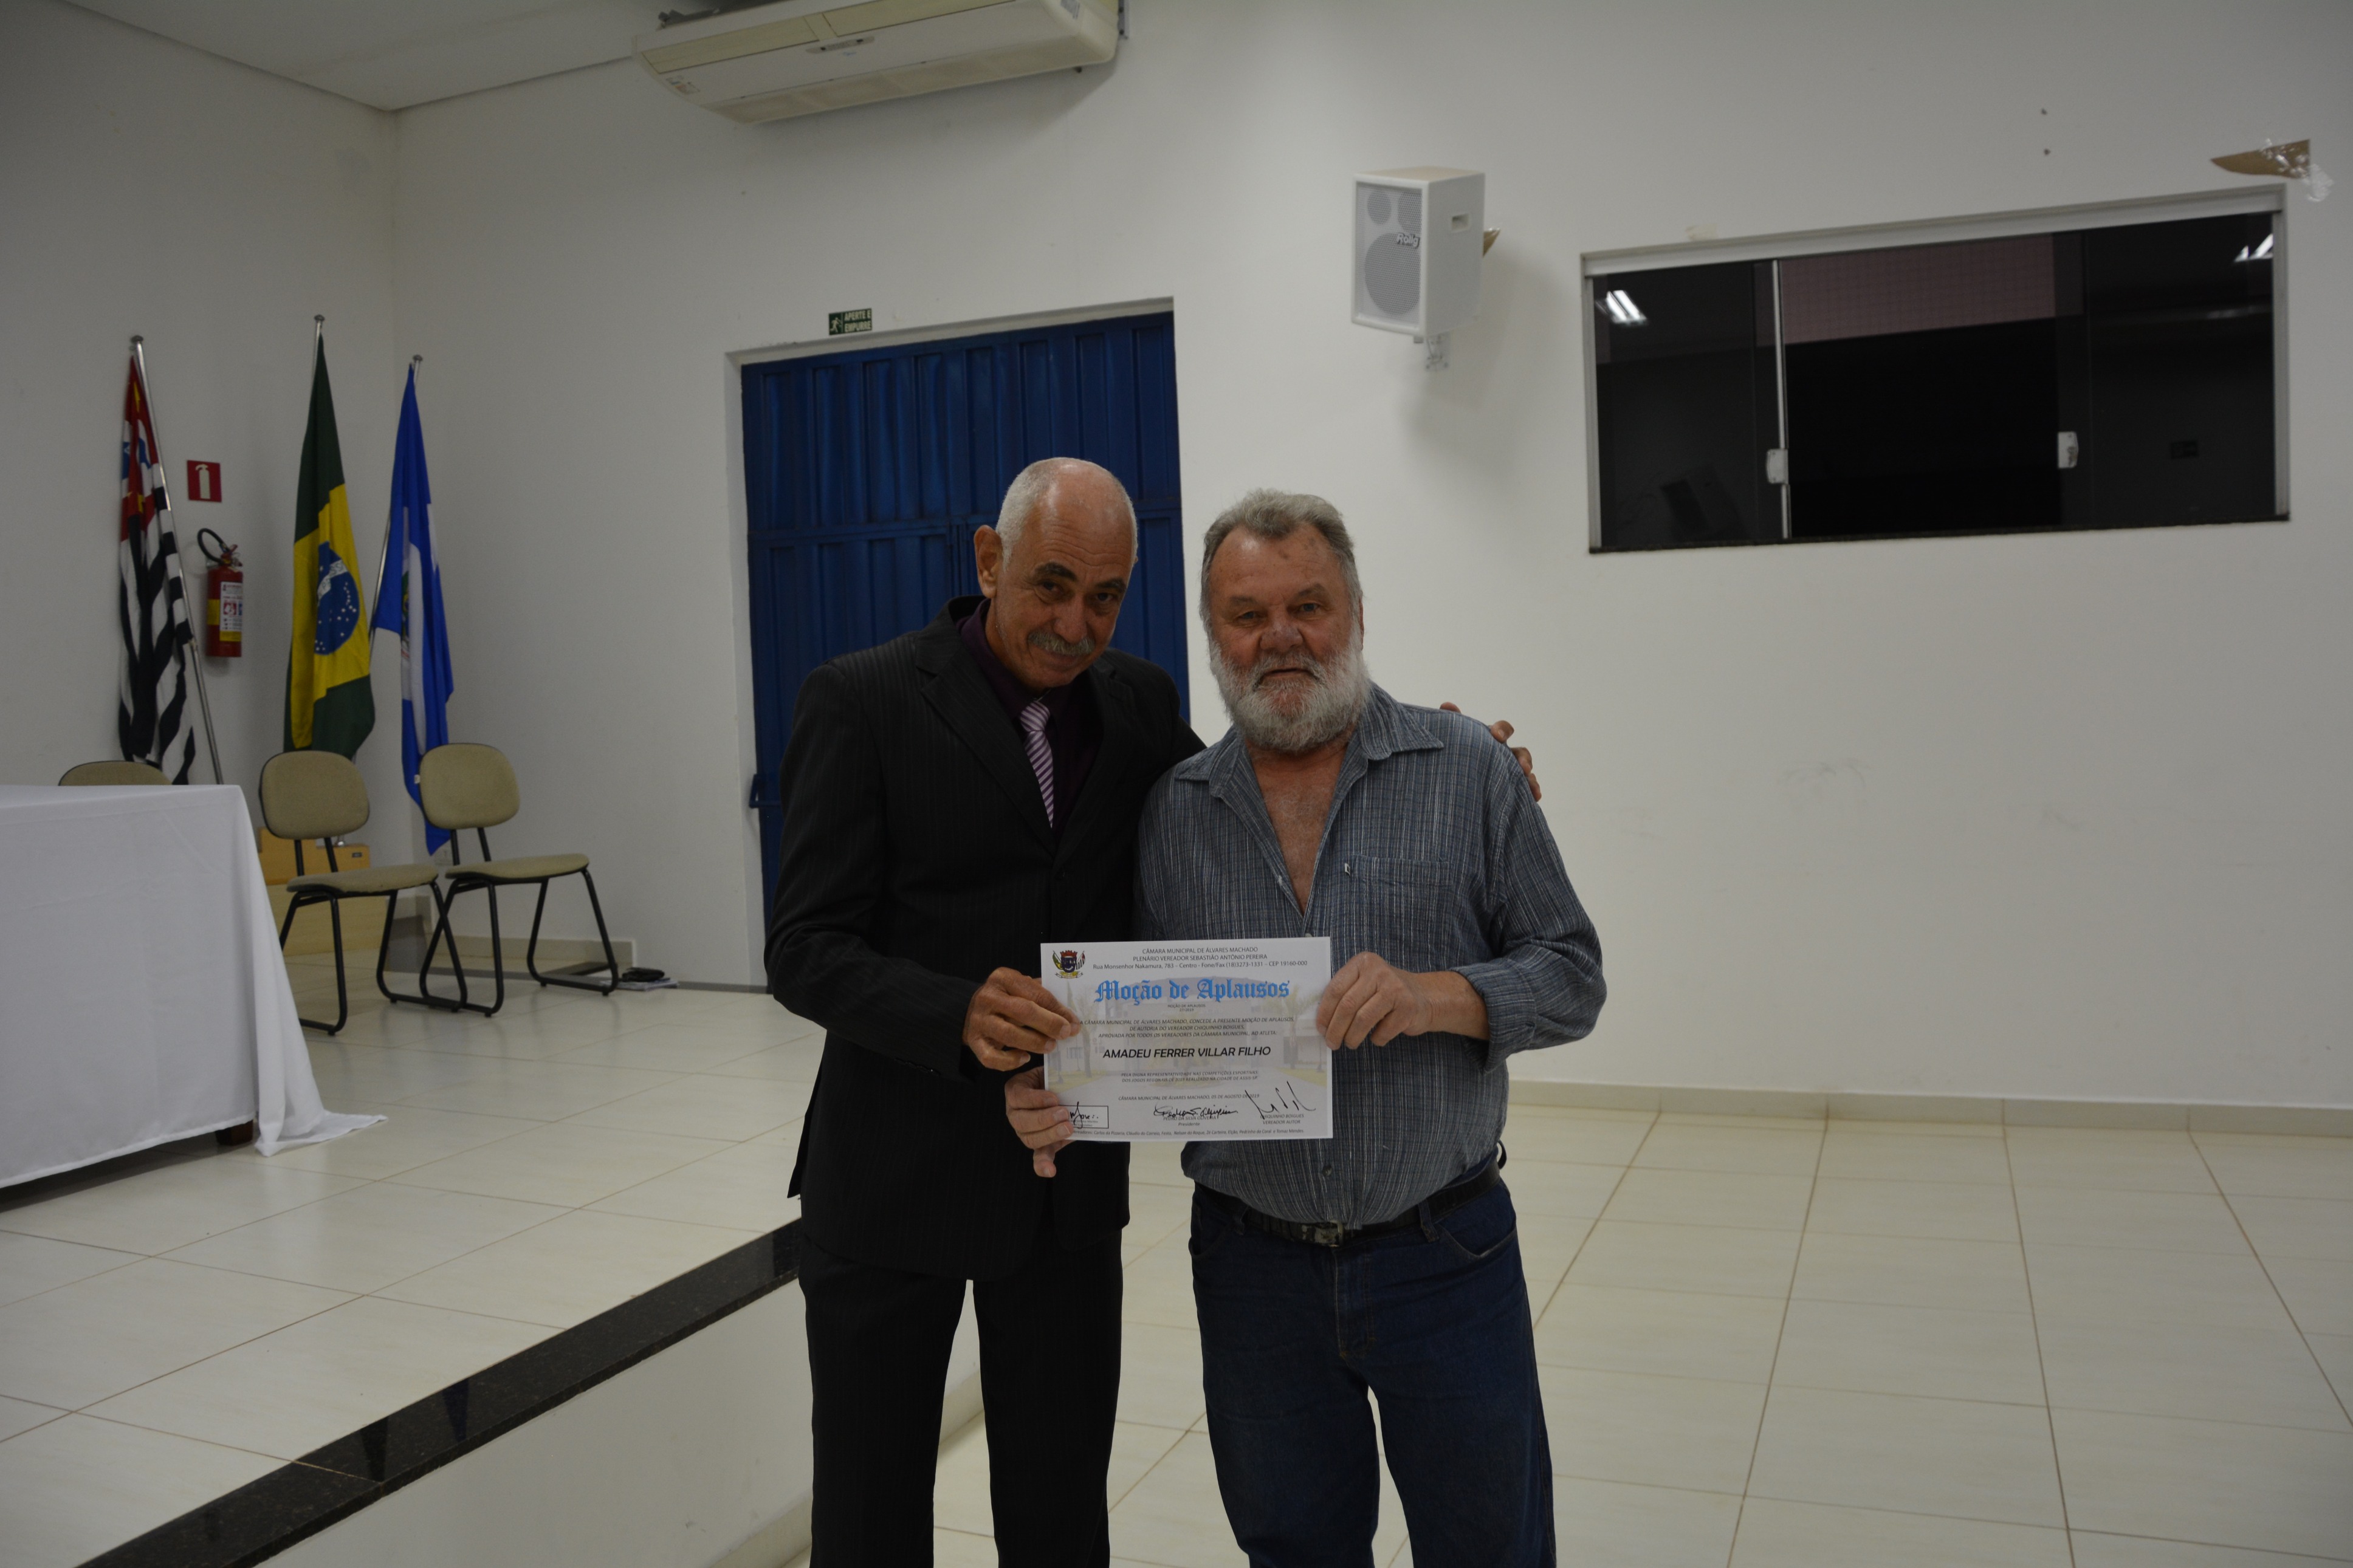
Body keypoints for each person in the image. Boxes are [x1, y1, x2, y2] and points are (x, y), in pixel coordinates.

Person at [769, 459, 1541, 1566]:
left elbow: (1260, 780)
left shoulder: (1132, 703)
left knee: (1060, 1506)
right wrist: (955, 1013)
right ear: (988, 560)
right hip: (896, 1176)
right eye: (1050, 585)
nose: (1075, 623)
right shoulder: (864, 698)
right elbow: (803, 947)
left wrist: (1454, 758)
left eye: (1105, 596)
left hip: (1066, 1194)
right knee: (870, 1507)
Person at [1008, 488, 1605, 1567]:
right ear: (1213, 636)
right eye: (1247, 614)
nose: (1280, 635)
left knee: (1492, 1548)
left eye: (1309, 605)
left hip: (1446, 1254)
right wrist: (1061, 1083)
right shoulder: (1171, 811)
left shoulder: (1468, 770)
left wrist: (1437, 995)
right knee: (1293, 1550)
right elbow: (1125, 1019)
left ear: (1356, 613)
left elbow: (1572, 975)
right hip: (1253, 1273)